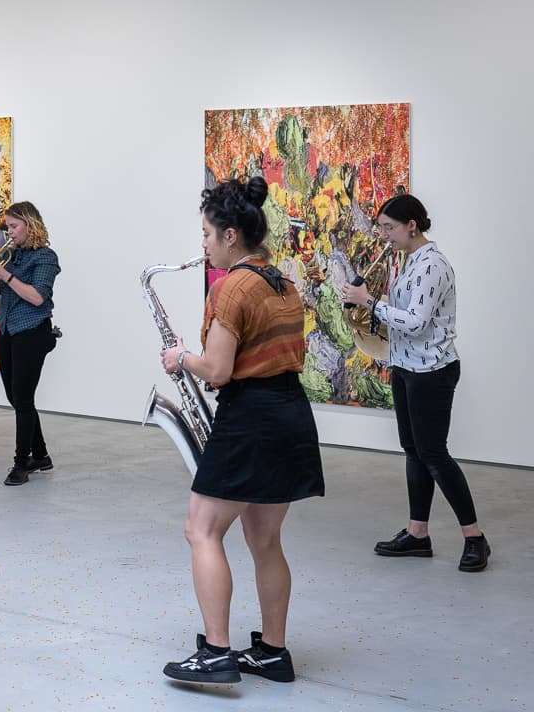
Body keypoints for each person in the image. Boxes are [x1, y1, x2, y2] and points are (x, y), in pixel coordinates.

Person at [159, 176, 324, 684]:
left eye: (207, 234)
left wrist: (180, 357)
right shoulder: (284, 284)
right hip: (290, 416)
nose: (203, 245)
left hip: (249, 417)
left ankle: (216, 652)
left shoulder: (231, 288)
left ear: (232, 235)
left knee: (201, 529)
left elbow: (218, 370)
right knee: (265, 539)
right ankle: (273, 652)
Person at [342, 194, 490, 572]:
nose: (385, 236)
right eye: (382, 230)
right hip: (406, 366)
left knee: (434, 454)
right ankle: (417, 534)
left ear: (412, 225)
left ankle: (475, 538)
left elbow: (415, 322)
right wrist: (367, 309)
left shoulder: (433, 265)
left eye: (389, 229)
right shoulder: (407, 263)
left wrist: (369, 301)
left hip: (432, 372)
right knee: (413, 450)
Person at [0, 201, 60, 486]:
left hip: (33, 331)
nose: (9, 233)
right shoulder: (11, 256)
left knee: (23, 399)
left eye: (14, 227)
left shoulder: (46, 257)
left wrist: (7, 276)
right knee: (17, 398)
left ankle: (20, 463)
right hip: (8, 331)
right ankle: (41, 455)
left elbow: (38, 297)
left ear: (30, 224)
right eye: (8, 227)